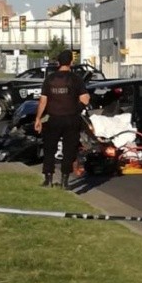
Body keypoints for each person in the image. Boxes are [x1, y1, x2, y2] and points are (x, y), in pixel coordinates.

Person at [34, 50, 89, 189]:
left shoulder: (50, 79)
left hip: (53, 119)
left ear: (58, 62)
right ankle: (65, 181)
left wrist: (38, 119)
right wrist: (77, 108)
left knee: (49, 149)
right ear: (71, 62)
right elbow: (85, 99)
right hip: (71, 119)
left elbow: (43, 101)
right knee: (69, 150)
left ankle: (48, 179)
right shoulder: (76, 79)